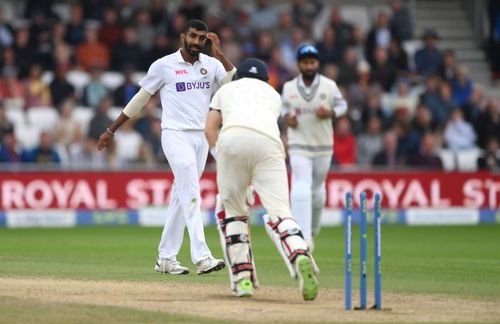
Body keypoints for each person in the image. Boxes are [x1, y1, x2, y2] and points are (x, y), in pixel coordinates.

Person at [97, 19, 236, 275]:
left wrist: (220, 54)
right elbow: (140, 99)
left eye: (201, 38)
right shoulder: (164, 65)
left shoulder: (212, 64)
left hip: (202, 137)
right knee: (191, 190)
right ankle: (202, 256)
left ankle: (165, 258)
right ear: (183, 36)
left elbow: (236, 85)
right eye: (192, 36)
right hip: (174, 134)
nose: (196, 42)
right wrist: (111, 129)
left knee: (181, 195)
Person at [205, 58, 319, 300]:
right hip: (270, 145)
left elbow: (210, 129)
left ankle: (243, 279)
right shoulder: (273, 94)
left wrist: (222, 156)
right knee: (282, 214)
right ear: (266, 81)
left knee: (233, 213)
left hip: (233, 141)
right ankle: (299, 254)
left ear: (239, 77)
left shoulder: (226, 90)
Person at [282, 44, 347, 251]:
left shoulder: (329, 85)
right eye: (305, 62)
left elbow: (342, 106)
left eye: (312, 62)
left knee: (317, 191)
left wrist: (330, 112)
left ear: (317, 63)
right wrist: (287, 119)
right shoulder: (289, 87)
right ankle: (303, 237)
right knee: (301, 183)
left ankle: (312, 229)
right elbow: (282, 109)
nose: (309, 66)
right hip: (298, 144)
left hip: (323, 146)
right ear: (299, 64)